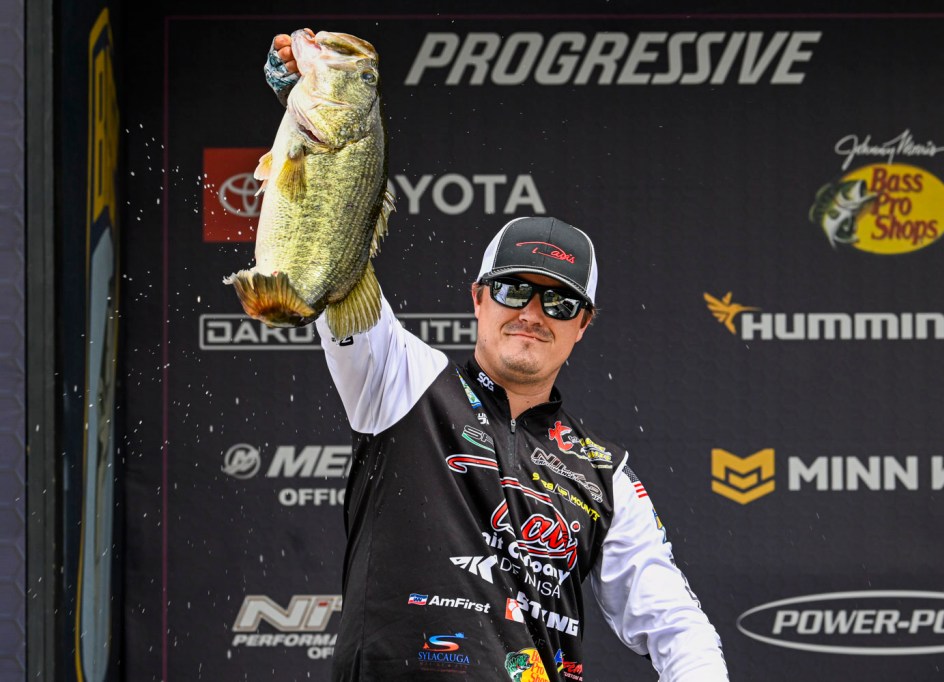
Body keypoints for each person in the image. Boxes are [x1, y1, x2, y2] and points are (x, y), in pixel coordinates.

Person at [265, 33, 730, 682]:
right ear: (479, 297)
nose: (532, 313)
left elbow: (676, 624)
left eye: (559, 302)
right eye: (514, 290)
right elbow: (334, 261)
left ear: (583, 325)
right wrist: (308, 109)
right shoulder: (401, 382)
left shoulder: (605, 474)